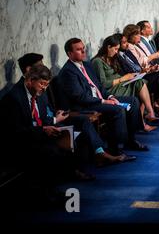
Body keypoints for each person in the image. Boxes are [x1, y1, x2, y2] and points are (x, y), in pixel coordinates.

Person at [0, 65, 97, 206]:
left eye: (46, 85)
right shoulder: (14, 98)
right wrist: (43, 130)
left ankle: (58, 185)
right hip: (20, 142)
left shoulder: (39, 93)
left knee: (74, 137)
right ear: (30, 80)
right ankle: (45, 194)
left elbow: (43, 118)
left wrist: (52, 126)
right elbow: (15, 131)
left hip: (37, 135)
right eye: (42, 84)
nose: (44, 88)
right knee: (51, 151)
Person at [16, 53, 125, 167]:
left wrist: (56, 115)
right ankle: (76, 169)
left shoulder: (39, 86)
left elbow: (45, 108)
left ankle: (100, 153)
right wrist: (53, 121)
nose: (44, 67)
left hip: (54, 118)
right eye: (40, 65)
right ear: (29, 70)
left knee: (84, 120)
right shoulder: (19, 95)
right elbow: (22, 127)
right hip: (42, 128)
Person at [58, 38, 143, 156]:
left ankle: (131, 139)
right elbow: (80, 97)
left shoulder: (87, 65)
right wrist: (104, 101)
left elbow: (99, 87)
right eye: (79, 50)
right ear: (69, 53)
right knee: (118, 110)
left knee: (133, 101)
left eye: (83, 48)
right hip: (86, 105)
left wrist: (111, 96)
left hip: (98, 99)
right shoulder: (68, 72)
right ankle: (116, 149)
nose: (83, 51)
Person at [115, 32, 159, 128]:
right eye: (123, 43)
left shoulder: (127, 53)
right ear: (118, 45)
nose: (127, 44)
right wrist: (144, 71)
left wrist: (148, 70)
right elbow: (128, 73)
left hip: (140, 77)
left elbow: (137, 67)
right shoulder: (118, 57)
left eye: (126, 42)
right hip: (133, 83)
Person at [91, 35, 158, 134]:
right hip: (110, 90)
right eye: (115, 49)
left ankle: (148, 116)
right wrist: (122, 79)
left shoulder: (113, 58)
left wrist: (135, 75)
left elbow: (124, 72)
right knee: (140, 87)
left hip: (120, 85)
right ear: (108, 47)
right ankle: (145, 119)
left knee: (140, 82)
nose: (116, 52)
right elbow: (103, 84)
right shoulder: (98, 62)